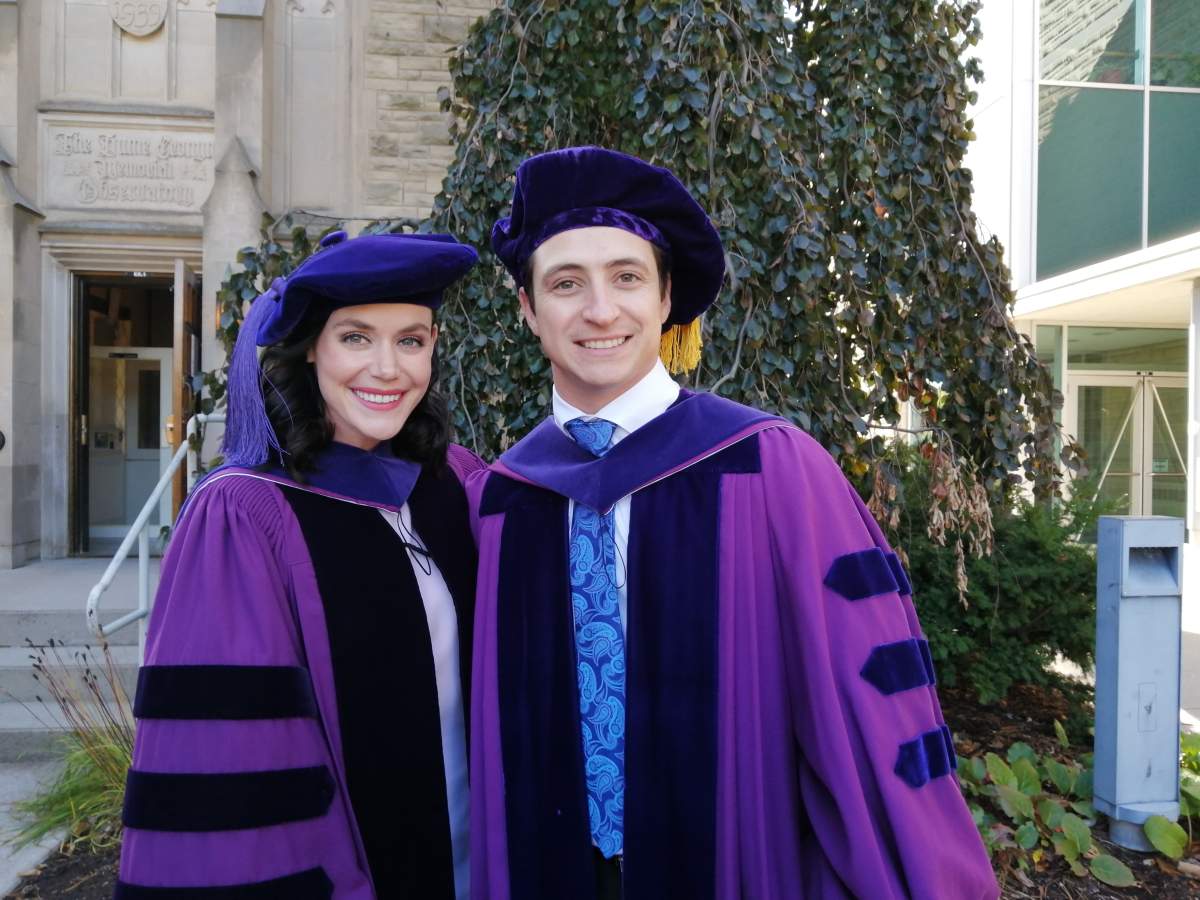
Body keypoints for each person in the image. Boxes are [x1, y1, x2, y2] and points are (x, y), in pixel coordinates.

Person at [467, 146, 999, 900]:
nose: (600, 310)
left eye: (626, 277)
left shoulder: (769, 467)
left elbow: (869, 711)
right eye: (565, 284)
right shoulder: (501, 497)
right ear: (527, 310)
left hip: (734, 864)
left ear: (666, 298)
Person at [116, 230, 483, 900]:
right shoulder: (245, 516)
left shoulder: (450, 482)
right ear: (310, 347)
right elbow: (232, 763)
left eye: (411, 339)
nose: (387, 368)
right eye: (355, 337)